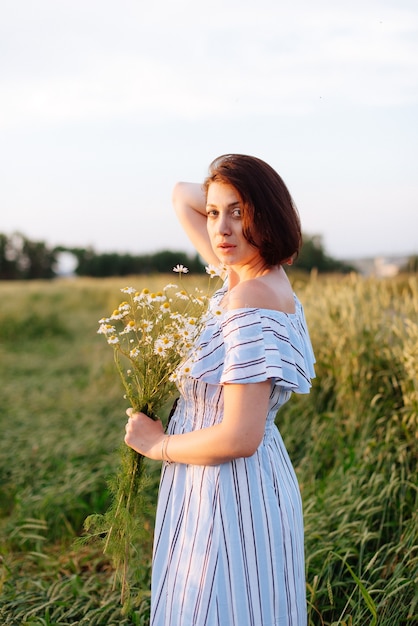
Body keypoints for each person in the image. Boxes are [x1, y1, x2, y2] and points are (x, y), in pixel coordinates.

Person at [125, 154, 315, 626]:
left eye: (239, 212)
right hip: (242, 484)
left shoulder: (249, 297)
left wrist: (157, 444)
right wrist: (227, 188)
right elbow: (180, 194)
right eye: (214, 213)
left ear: (266, 216)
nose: (220, 229)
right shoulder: (251, 275)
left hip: (228, 492)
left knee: (212, 609)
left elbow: (238, 436)